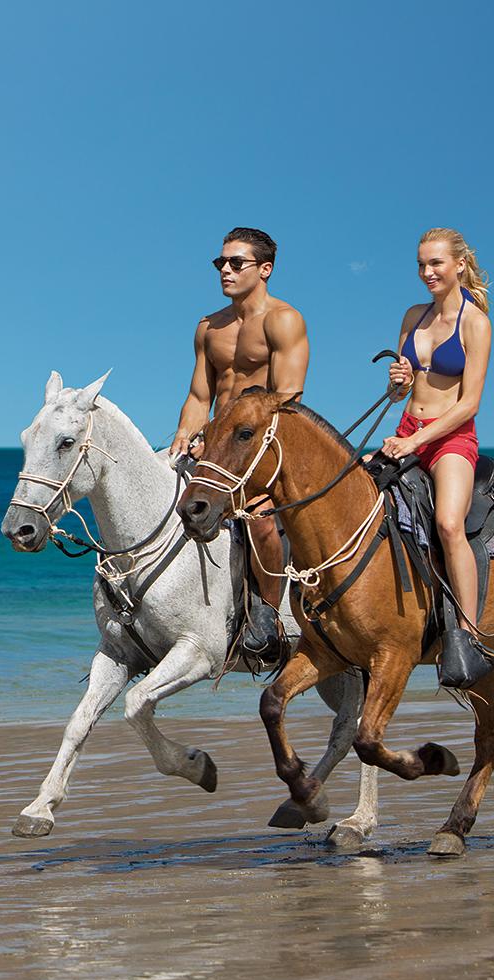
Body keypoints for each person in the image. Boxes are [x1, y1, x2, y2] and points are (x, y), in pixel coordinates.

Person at [170, 227, 310, 662]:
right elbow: (199, 397)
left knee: (262, 519)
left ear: (264, 269)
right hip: (215, 446)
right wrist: (185, 439)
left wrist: (231, 438)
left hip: (261, 445)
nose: (225, 271)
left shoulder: (283, 320)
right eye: (220, 263)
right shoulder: (209, 327)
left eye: (236, 263)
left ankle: (268, 614)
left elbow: (287, 398)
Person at [380, 227, 493, 686]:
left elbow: (469, 403)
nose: (427, 273)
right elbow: (395, 393)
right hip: (406, 428)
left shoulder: (476, 323)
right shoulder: (413, 315)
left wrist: (417, 442)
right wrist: (398, 383)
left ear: (459, 264)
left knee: (449, 524)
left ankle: (467, 635)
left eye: (436, 264)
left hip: (450, 438)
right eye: (422, 265)